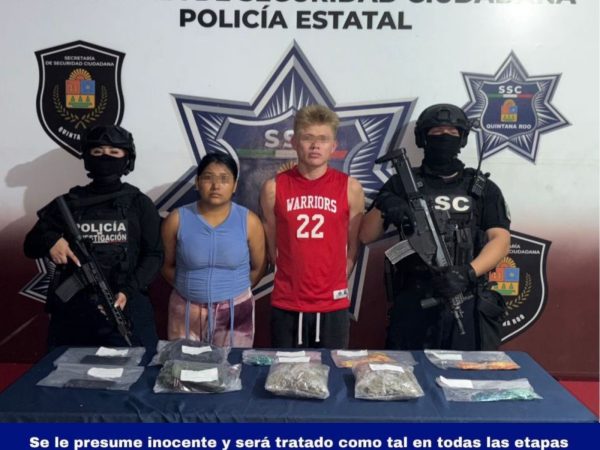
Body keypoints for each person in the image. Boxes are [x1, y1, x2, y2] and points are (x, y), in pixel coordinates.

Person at [359, 103, 511, 351]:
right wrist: (386, 204)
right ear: (422, 139)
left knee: (468, 371)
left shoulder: (482, 188)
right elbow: (366, 235)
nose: (444, 137)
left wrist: (467, 273)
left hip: (466, 296)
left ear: (462, 139)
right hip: (415, 300)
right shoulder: (402, 182)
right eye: (436, 132)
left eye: (452, 132)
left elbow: (500, 240)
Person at [24, 124, 163, 350]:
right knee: (65, 369)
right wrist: (51, 240)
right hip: (74, 313)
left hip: (125, 307)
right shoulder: (70, 202)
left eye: (114, 152)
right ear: (87, 158)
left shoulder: (139, 203)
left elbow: (154, 255)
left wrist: (128, 291)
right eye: (97, 152)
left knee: (137, 365)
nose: (105, 157)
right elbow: (30, 245)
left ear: (127, 158)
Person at [260, 104, 365, 349]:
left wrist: (333, 281)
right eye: (308, 138)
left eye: (323, 139)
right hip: (288, 302)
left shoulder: (350, 187)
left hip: (332, 304)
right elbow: (272, 245)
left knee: (331, 370)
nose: (315, 145)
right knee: (285, 370)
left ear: (333, 146)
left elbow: (353, 245)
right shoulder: (273, 188)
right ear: (295, 142)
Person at [161, 153, 266, 347]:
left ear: (234, 185)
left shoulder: (249, 221)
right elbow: (166, 265)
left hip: (235, 311)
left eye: (224, 179)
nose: (216, 185)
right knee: (183, 364)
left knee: (232, 364)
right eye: (208, 178)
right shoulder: (176, 219)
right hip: (186, 310)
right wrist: (192, 289)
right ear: (197, 182)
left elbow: (259, 267)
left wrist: (229, 290)